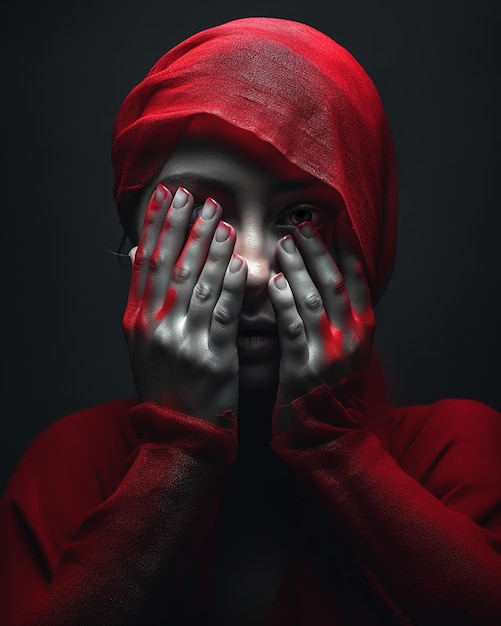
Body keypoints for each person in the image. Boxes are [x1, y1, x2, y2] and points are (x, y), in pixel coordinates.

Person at [1, 16, 500, 626]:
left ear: (368, 240)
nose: (258, 270)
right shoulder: (71, 468)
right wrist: (179, 450)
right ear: (139, 246)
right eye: (206, 215)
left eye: (301, 215)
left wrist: (336, 449)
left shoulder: (457, 452)